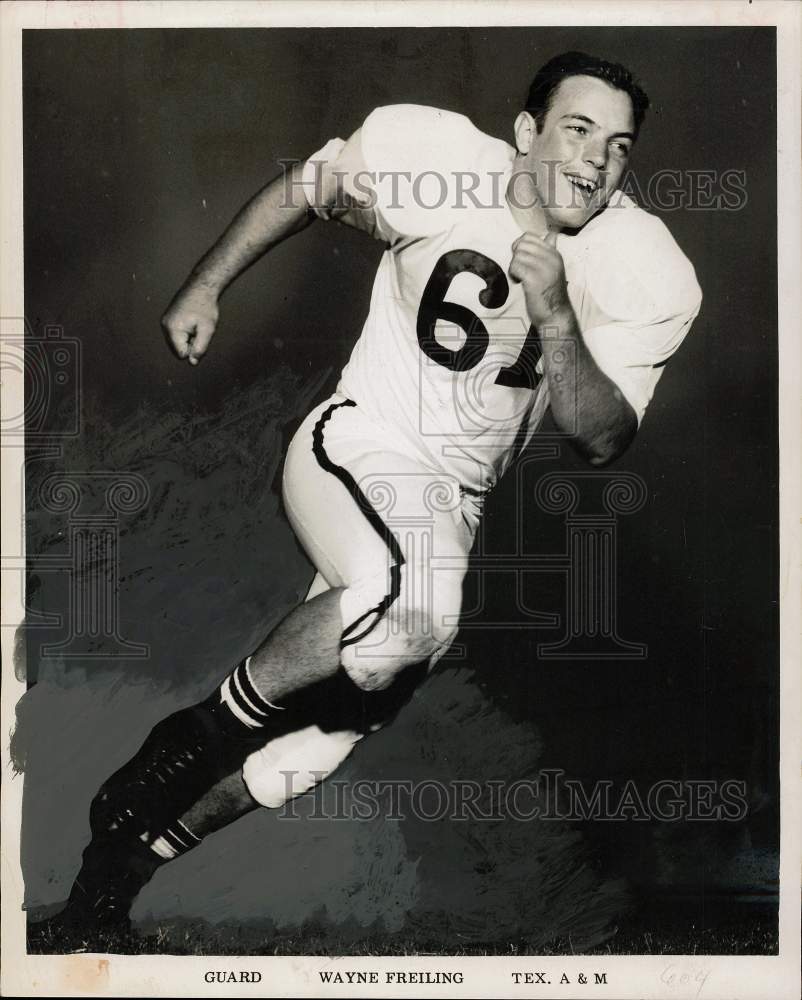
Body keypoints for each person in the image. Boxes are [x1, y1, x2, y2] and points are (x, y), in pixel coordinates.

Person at [49, 51, 701, 932]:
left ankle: (108, 884)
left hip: (450, 508)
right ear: (526, 131)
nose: (594, 160)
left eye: (619, 147)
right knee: (416, 603)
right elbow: (309, 187)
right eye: (577, 130)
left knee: (314, 747)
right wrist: (205, 285)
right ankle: (191, 739)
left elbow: (601, 437)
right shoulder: (435, 159)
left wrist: (556, 316)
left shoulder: (644, 263)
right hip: (358, 443)